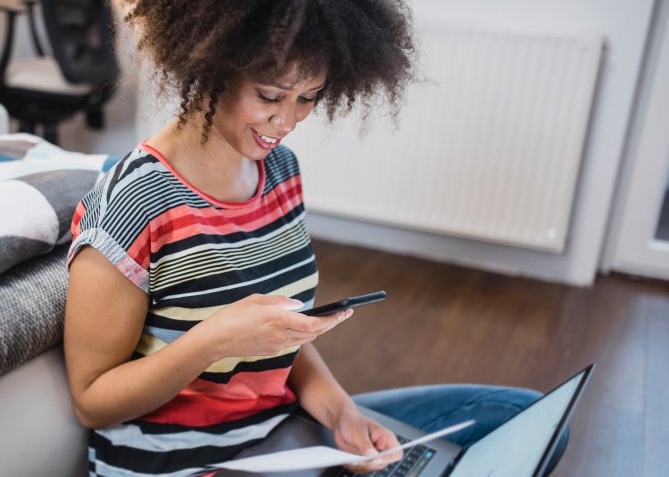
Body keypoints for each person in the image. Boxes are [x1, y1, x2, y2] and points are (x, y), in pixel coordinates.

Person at [63, 1, 568, 476]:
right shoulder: (134, 204)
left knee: (522, 415)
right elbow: (92, 401)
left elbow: (282, 336)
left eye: (308, 98)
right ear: (215, 66)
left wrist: (341, 413)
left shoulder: (280, 170)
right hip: (183, 463)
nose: (286, 122)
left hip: (281, 438)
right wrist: (213, 340)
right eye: (269, 95)